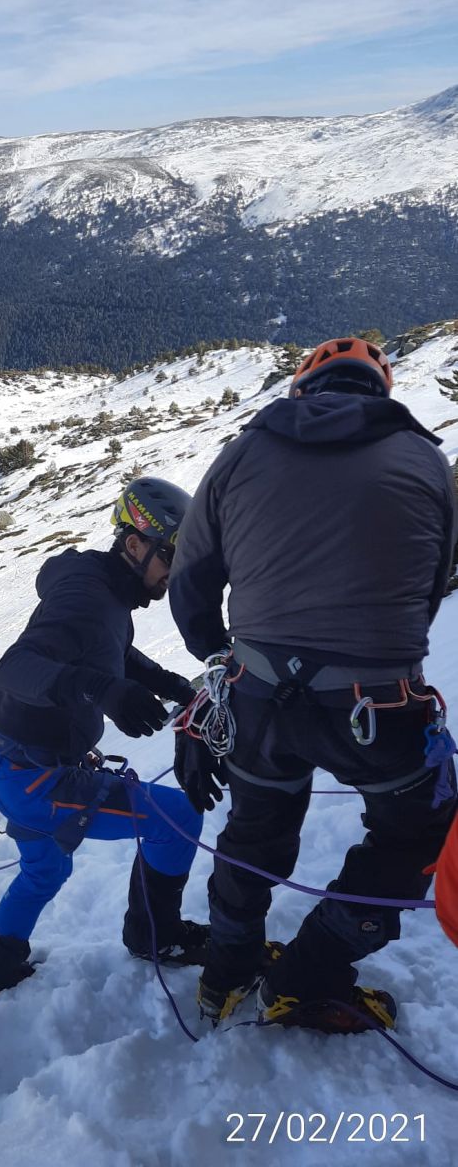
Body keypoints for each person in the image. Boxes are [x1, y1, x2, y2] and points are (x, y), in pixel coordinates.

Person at [169, 337, 458, 1034]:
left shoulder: (241, 452)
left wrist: (221, 657)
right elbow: (426, 587)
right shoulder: (424, 460)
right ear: (379, 391)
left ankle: (226, 971)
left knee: (254, 831)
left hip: (258, 694)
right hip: (377, 703)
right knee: (416, 835)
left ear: (303, 390)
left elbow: (191, 578)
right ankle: (310, 972)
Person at [0, 478, 207, 1001]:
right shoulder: (88, 598)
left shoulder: (101, 585)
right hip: (34, 777)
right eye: (171, 555)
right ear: (134, 544)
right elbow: (15, 667)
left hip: (14, 762)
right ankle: (155, 935)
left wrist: (168, 685)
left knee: (45, 870)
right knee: (178, 819)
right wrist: (104, 690)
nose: (176, 570)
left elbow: (107, 648)